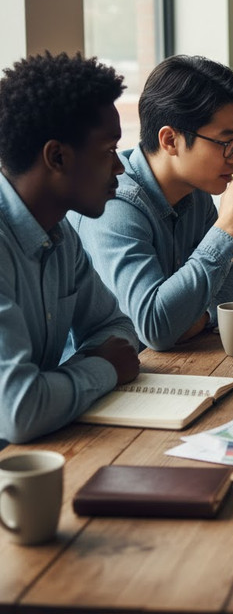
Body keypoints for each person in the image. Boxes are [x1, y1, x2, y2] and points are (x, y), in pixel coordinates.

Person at [69, 55, 233, 351]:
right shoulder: (114, 205)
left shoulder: (196, 191)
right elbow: (156, 328)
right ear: (170, 140)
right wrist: (226, 230)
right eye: (226, 142)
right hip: (99, 385)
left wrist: (198, 317)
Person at [0, 52, 140, 444]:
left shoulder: (60, 234)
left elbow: (116, 327)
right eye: (108, 150)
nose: (120, 167)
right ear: (57, 156)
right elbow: (19, 411)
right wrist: (102, 369)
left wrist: (73, 376)